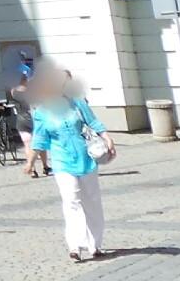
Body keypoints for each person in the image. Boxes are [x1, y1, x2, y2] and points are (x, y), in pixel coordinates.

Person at [31, 67, 114, 262]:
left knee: (92, 201)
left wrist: (107, 138)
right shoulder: (42, 111)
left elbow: (93, 122)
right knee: (71, 201)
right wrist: (30, 162)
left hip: (86, 159)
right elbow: (39, 139)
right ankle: (75, 245)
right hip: (62, 161)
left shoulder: (77, 103)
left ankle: (95, 244)